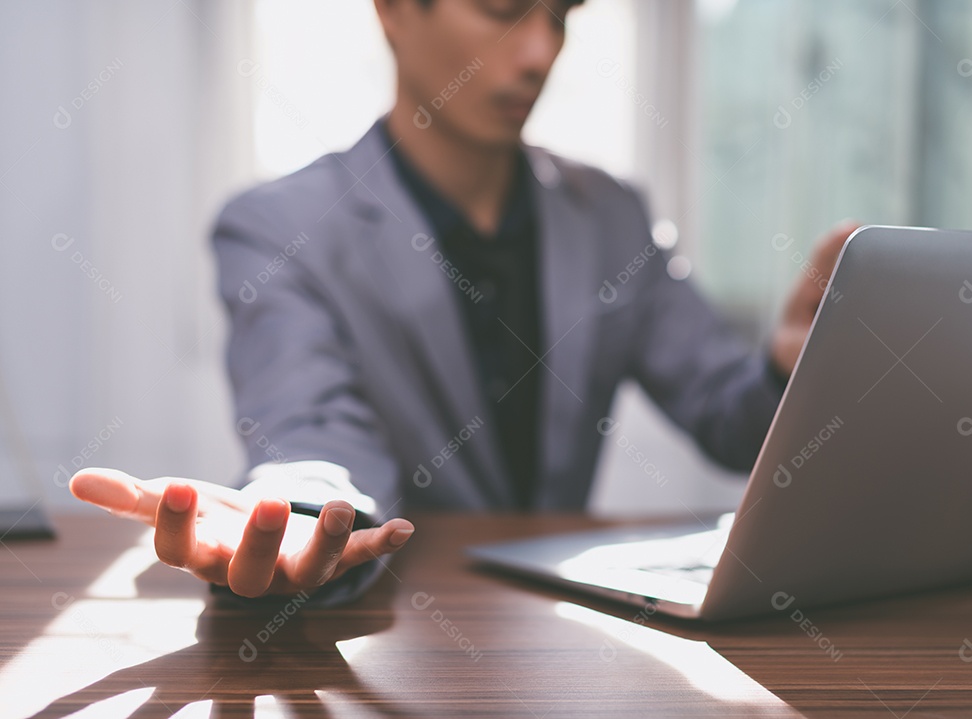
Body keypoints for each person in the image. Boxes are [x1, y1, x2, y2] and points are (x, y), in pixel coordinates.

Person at [70, 0, 855, 606]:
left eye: (560, 15)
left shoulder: (613, 214)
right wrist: (303, 516)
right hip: (403, 639)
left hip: (568, 641)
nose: (541, 52)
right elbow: (310, 430)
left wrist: (792, 367)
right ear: (391, 10)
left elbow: (727, 417)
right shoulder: (278, 227)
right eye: (503, 8)